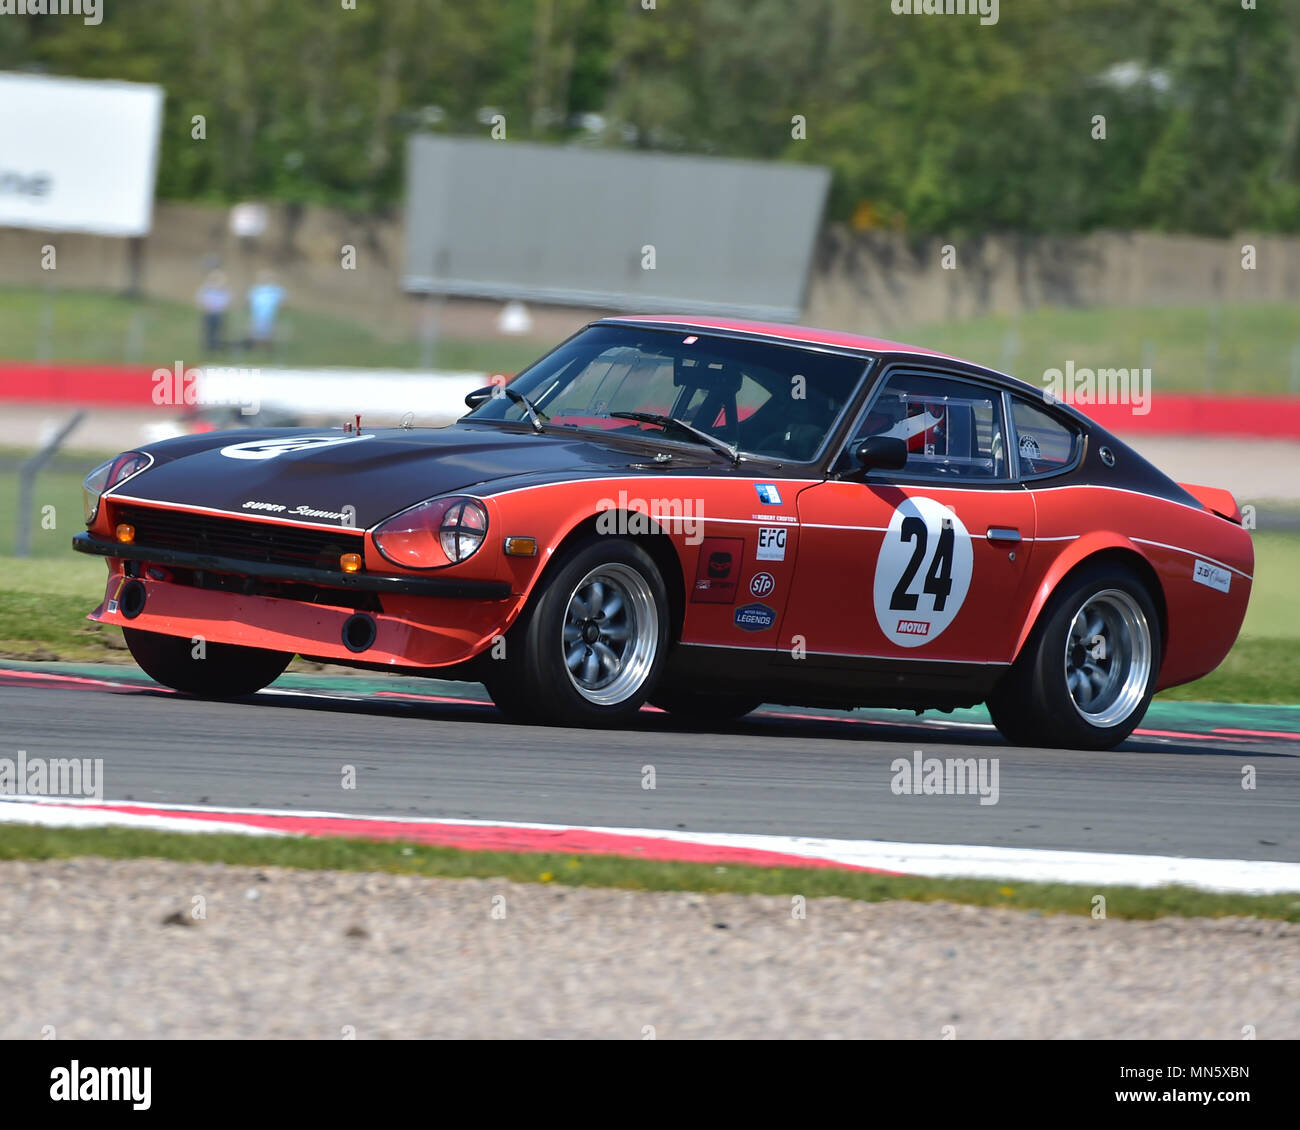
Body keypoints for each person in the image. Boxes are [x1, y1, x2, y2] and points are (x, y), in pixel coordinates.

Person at [246, 270, 287, 352]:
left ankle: (267, 349)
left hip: (270, 315)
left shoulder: (276, 290)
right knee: (256, 333)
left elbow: (282, 302)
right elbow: (249, 301)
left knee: (269, 333)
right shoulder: (256, 290)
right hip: (257, 315)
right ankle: (255, 349)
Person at [196, 269, 231, 353]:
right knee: (209, 330)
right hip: (209, 313)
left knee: (219, 330)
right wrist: (205, 307)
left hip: (219, 313)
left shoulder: (224, 290)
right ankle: (209, 347)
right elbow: (201, 299)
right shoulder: (206, 289)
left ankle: (217, 346)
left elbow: (227, 300)